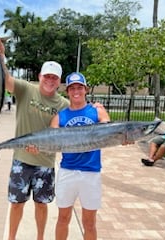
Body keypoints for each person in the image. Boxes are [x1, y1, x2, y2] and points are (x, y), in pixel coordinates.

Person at [0, 38, 69, 240]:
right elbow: (6, 79)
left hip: (46, 163)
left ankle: (40, 238)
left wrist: (97, 110)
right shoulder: (26, 89)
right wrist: (0, 55)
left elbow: (76, 118)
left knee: (41, 205)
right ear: (39, 76)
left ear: (59, 81)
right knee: (16, 204)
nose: (50, 80)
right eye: (47, 76)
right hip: (21, 161)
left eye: (54, 78)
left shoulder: (63, 104)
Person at [49, 72, 111, 240]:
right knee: (63, 218)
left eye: (79, 88)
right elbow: (50, 140)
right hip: (67, 171)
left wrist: (127, 137)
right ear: (67, 91)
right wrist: (33, 147)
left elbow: (109, 131)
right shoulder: (60, 116)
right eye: (72, 88)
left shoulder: (97, 111)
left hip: (91, 172)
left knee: (89, 222)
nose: (76, 91)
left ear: (86, 90)